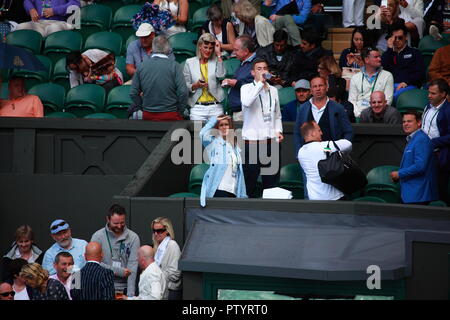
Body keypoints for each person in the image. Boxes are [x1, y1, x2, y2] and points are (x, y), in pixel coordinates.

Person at [240, 58, 284, 197]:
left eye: (265, 68)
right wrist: (260, 84)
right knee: (250, 183)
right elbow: (247, 102)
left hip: (270, 142)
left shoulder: (273, 90)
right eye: (259, 69)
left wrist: (278, 131)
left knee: (271, 184)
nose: (263, 71)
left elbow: (277, 115)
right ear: (252, 72)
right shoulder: (246, 88)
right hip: (252, 143)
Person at [130, 35, 188, 121]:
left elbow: (133, 93)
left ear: (152, 49)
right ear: (168, 49)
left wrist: (142, 107)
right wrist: (180, 110)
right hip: (171, 115)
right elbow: (183, 91)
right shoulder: (175, 66)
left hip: (148, 115)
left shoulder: (141, 66)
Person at [294, 76, 353, 158]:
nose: (318, 89)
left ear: (326, 87)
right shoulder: (303, 108)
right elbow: (297, 133)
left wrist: (340, 152)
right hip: (309, 156)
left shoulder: (338, 108)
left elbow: (348, 132)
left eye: (321, 85)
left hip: (332, 157)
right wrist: (299, 153)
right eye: (315, 86)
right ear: (311, 90)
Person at [90, 204, 140, 298]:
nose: (119, 226)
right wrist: (117, 271)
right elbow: (95, 264)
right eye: (116, 223)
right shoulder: (97, 236)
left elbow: (133, 267)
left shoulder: (133, 237)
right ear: (108, 219)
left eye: (122, 222)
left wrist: (130, 296)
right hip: (102, 286)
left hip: (123, 288)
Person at [390, 110, 439, 204]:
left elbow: (420, 166)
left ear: (419, 123)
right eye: (404, 122)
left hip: (419, 194)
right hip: (412, 194)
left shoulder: (421, 139)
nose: (406, 124)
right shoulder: (413, 138)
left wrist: (399, 174)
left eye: (409, 121)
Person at [199, 115, 247, 206]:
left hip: (233, 190)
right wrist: (214, 120)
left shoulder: (235, 147)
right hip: (219, 188)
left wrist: (242, 194)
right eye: (221, 125)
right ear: (217, 128)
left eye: (226, 124)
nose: (224, 127)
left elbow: (239, 173)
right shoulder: (213, 143)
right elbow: (202, 134)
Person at [298, 120, 352, 200]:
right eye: (319, 130)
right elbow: (348, 144)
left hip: (314, 198)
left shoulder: (300, 152)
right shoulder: (325, 147)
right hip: (334, 198)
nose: (321, 133)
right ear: (312, 133)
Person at [183, 33, 225, 121]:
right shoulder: (189, 62)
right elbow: (185, 86)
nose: (208, 50)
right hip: (198, 108)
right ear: (199, 47)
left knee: (217, 134)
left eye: (211, 48)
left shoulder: (217, 61)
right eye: (205, 47)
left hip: (215, 107)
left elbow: (221, 75)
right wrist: (196, 85)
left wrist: (219, 55)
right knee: (198, 134)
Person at [422, 78, 450, 204]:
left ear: (443, 94)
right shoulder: (427, 106)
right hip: (424, 153)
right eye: (429, 92)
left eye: (433, 93)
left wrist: (433, 142)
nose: (429, 96)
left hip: (439, 155)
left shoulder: (448, 110)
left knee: (439, 189)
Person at [381, 24, 425, 102]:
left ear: (406, 37)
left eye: (400, 37)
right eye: (395, 38)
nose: (397, 40)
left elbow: (420, 73)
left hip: (409, 85)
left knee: (392, 97)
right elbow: (384, 67)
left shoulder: (415, 53)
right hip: (390, 85)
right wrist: (389, 49)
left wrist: (406, 82)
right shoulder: (388, 54)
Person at [348, 47, 394, 118]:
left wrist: (374, 114)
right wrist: (359, 114)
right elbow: (351, 101)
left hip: (378, 115)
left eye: (379, 56)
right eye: (376, 57)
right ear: (366, 60)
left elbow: (388, 101)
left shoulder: (387, 76)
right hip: (358, 114)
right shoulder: (355, 78)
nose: (380, 59)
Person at [222, 34, 257, 121]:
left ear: (246, 51)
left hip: (246, 112)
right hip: (239, 111)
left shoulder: (256, 65)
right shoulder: (244, 62)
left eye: (236, 50)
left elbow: (255, 87)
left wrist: (236, 83)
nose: (234, 53)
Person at [151, 217, 182, 300]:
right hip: (159, 290)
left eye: (159, 231)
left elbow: (175, 273)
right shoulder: (157, 247)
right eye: (154, 231)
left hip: (170, 291)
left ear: (167, 231)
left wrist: (155, 274)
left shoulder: (172, 245)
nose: (156, 233)